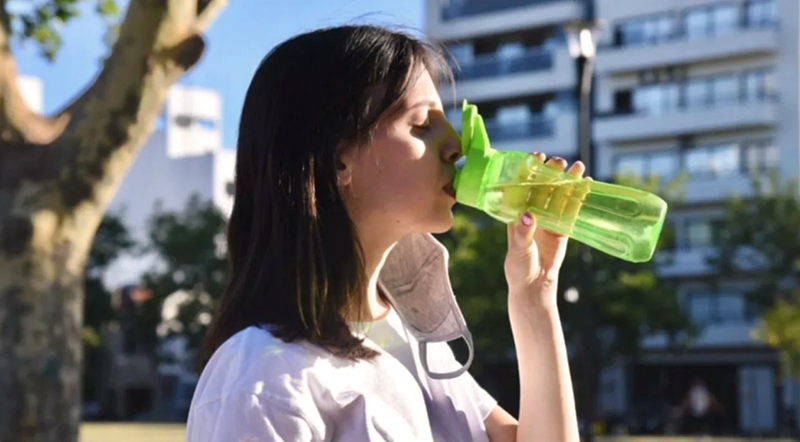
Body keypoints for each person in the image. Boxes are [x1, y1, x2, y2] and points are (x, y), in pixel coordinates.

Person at [185, 24, 582, 442]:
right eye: (422, 125)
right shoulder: (263, 381)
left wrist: (535, 298)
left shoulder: (413, 340)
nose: (457, 146)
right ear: (339, 162)